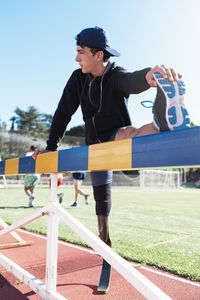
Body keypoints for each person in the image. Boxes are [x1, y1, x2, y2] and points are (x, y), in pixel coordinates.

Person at [33, 27, 190, 257]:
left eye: (81, 52)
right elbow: (63, 112)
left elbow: (131, 81)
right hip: (94, 148)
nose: (76, 58)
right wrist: (51, 147)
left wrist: (150, 75)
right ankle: (104, 240)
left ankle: (161, 122)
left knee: (129, 134)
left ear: (98, 55)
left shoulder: (116, 74)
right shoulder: (78, 78)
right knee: (101, 198)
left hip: (115, 138)